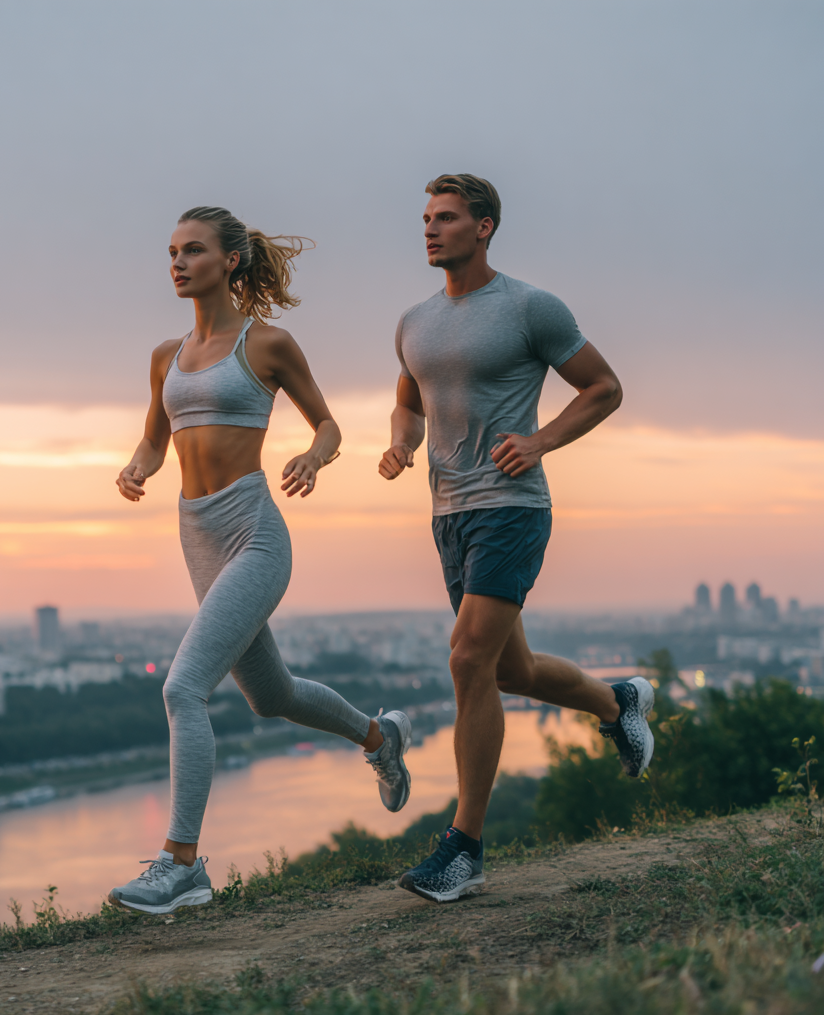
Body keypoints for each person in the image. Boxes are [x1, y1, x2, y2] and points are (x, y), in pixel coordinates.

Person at [109, 206, 412, 914]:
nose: (178, 263)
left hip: (254, 534)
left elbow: (329, 424)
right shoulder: (166, 356)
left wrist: (313, 454)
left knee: (183, 688)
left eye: (194, 251)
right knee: (270, 696)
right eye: (172, 252)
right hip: (197, 535)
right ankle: (381, 735)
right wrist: (136, 467)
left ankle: (182, 865)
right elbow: (155, 439)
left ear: (231, 261)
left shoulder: (267, 344)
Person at [378, 174, 655, 904]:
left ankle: (462, 848)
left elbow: (603, 387)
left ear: (485, 226)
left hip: (511, 506)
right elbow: (408, 402)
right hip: (448, 515)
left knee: (468, 659)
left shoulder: (530, 307)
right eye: (426, 219)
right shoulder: (413, 321)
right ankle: (615, 699)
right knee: (507, 672)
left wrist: (540, 441)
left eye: (446, 218)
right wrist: (402, 447)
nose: (431, 230)